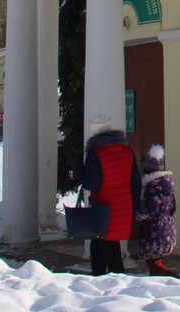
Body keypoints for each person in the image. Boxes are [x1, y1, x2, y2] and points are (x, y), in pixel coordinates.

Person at [79, 114, 141, 276]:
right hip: (123, 206)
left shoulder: (96, 153)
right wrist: (134, 206)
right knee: (98, 245)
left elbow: (92, 184)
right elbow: (135, 182)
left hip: (104, 208)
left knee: (111, 253)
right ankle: (98, 280)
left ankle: (117, 288)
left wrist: (80, 172)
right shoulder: (127, 151)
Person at [136, 144, 178, 277]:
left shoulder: (154, 187)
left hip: (155, 230)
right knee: (154, 263)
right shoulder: (166, 185)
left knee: (154, 264)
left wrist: (137, 214)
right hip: (167, 228)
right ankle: (159, 283)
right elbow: (172, 207)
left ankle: (175, 280)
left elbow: (152, 210)